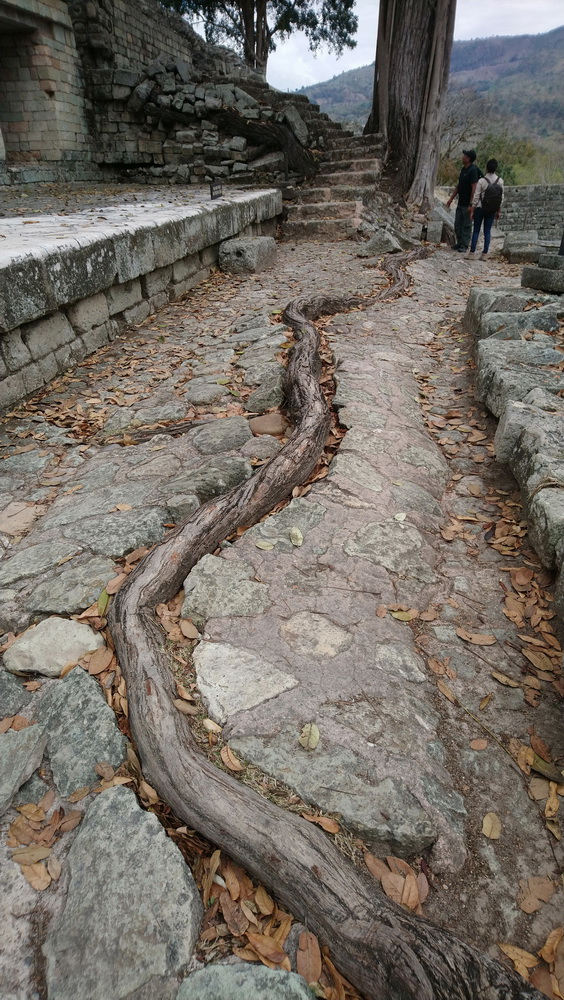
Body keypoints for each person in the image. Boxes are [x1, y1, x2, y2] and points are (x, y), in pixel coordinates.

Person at [467, 158, 504, 260]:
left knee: (476, 230)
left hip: (480, 208)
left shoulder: (482, 181)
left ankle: (472, 253)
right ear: (496, 168)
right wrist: (498, 211)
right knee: (487, 231)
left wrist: (472, 210)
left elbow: (476, 196)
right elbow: (501, 198)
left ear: (487, 168)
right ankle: (484, 254)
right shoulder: (500, 181)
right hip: (491, 209)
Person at [446, 149, 481, 252]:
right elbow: (459, 186)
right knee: (458, 224)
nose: (462, 157)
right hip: (460, 202)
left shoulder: (473, 170)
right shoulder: (463, 170)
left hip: (467, 204)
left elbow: (474, 187)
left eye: (465, 156)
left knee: (466, 225)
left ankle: (465, 245)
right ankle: (459, 242)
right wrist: (451, 199)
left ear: (468, 158)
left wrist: (471, 204)